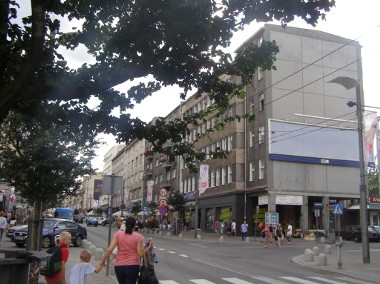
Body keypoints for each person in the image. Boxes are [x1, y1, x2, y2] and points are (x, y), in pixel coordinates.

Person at [99, 216, 154, 284]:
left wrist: (102, 261)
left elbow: (109, 250)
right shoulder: (138, 237)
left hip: (119, 266)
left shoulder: (117, 235)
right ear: (134, 226)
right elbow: (140, 254)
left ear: (125, 225)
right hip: (132, 267)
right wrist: (149, 247)